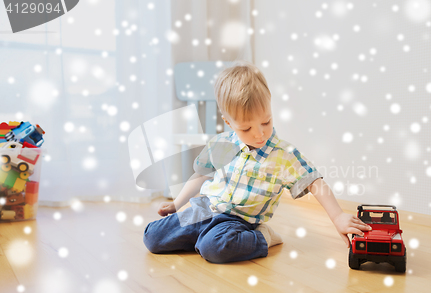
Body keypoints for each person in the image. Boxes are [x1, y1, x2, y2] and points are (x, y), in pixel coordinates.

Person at [143, 60, 371, 263]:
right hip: (203, 209)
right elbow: (201, 175)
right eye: (246, 128)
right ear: (229, 123)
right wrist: (177, 205)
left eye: (266, 121)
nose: (259, 134)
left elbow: (314, 181)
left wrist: (338, 216)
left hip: (237, 221)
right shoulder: (221, 143)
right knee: (152, 237)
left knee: (214, 248)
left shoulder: (283, 154)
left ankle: (263, 236)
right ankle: (200, 236)